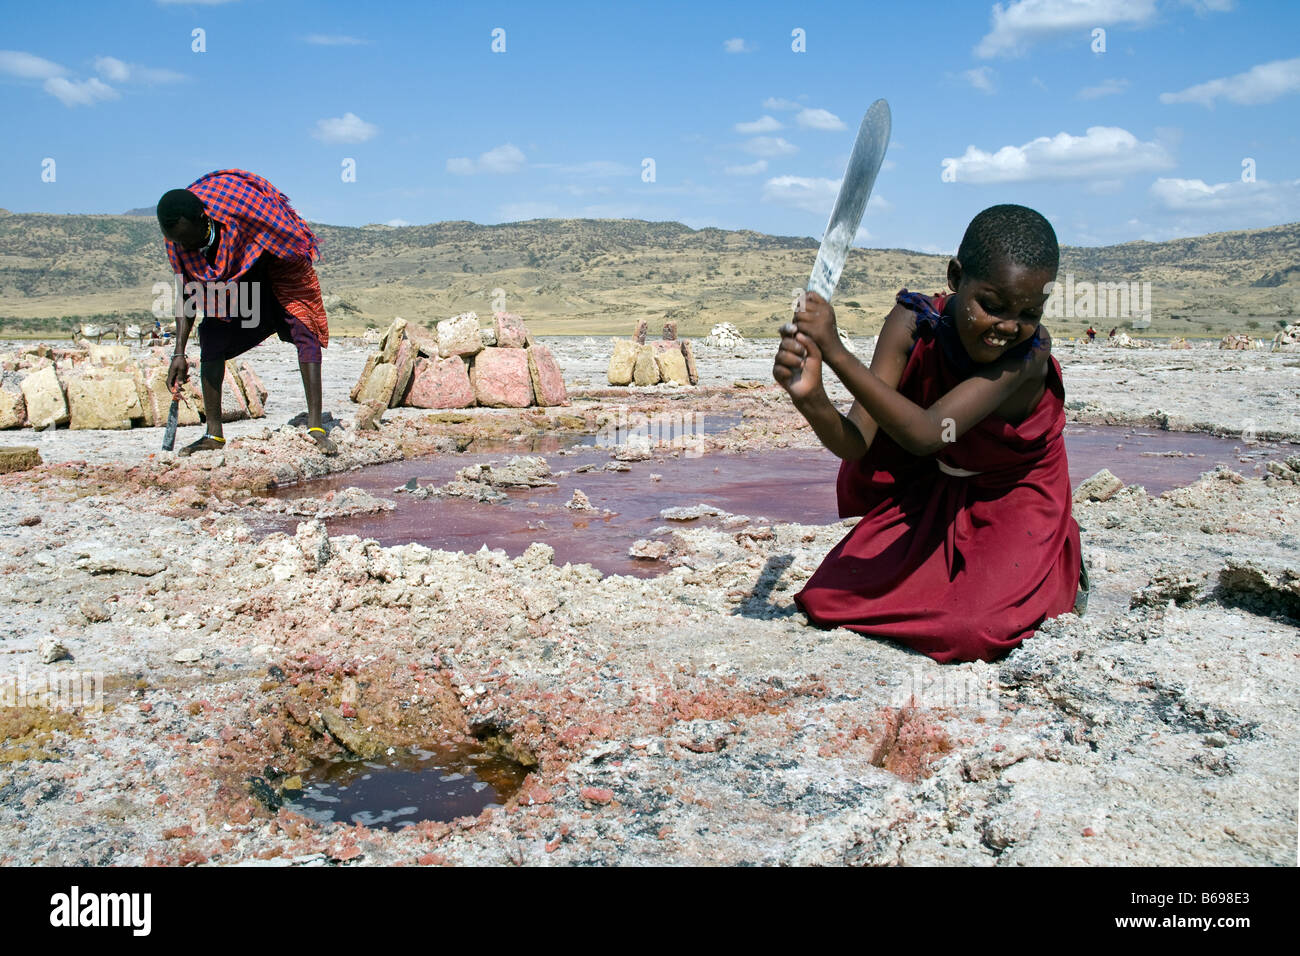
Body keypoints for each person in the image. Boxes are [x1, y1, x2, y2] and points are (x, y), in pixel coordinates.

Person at [772, 204, 1084, 664]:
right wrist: (811, 398)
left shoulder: (1028, 358)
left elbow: (928, 434)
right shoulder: (912, 322)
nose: (1008, 327)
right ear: (956, 277)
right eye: (992, 306)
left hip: (1015, 494)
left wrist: (835, 351)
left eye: (1028, 311)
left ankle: (1060, 559)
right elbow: (857, 441)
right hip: (935, 489)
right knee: (826, 601)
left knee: (973, 632)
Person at [158, 169, 336, 456]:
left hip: (276, 266)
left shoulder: (239, 207)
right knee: (212, 335)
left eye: (190, 241)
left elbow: (281, 231)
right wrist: (178, 353)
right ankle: (213, 435)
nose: (187, 248)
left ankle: (315, 426)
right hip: (242, 287)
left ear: (204, 219)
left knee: (304, 327)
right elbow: (187, 291)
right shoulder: (179, 243)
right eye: (181, 243)